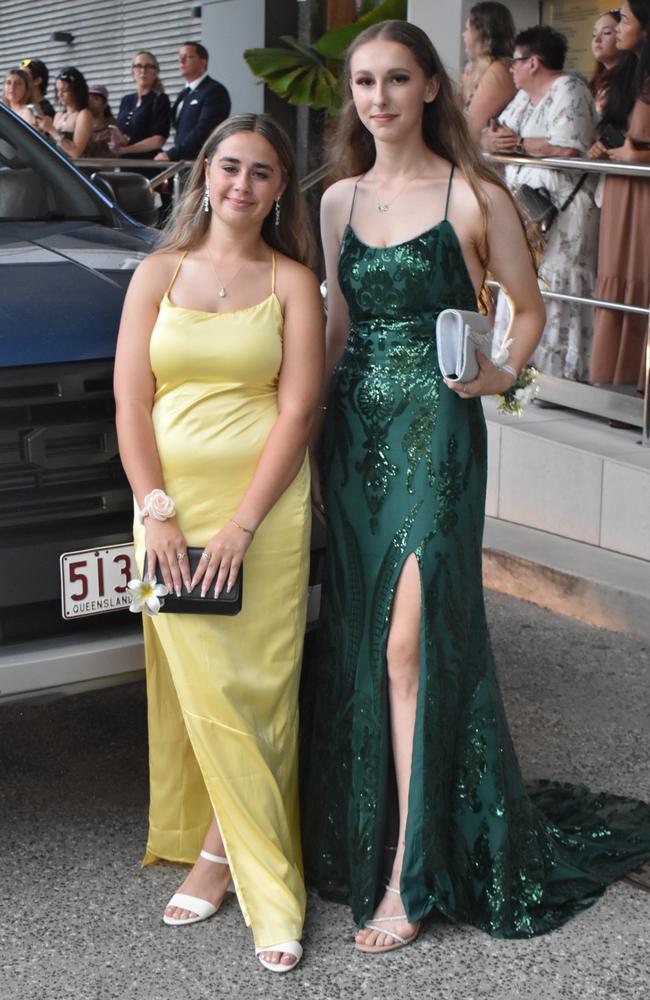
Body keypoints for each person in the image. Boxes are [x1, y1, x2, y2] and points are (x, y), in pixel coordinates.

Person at [303, 18, 650, 956]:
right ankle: (366, 834)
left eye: (396, 80)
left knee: (409, 644)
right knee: (359, 641)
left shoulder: (474, 193)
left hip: (437, 438)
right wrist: (309, 449)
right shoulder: (335, 202)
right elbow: (335, 328)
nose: (378, 98)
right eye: (364, 82)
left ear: (430, 90)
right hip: (353, 439)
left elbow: (528, 314)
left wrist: (500, 377)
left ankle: (410, 878)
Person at [114, 113, 324, 973]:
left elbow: (299, 408)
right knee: (200, 685)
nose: (242, 185)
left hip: (263, 517)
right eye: (229, 167)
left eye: (262, 173)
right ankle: (221, 853)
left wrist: (243, 523)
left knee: (259, 693)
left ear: (280, 190)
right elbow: (131, 402)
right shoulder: (157, 272)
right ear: (204, 174)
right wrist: (156, 508)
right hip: (168, 509)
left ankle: (243, 871)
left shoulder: (294, 281)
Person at [482, 26, 598, 381]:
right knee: (521, 278)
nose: (510, 70)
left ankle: (558, 373)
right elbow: (498, 133)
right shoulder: (522, 96)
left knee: (557, 280)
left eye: (515, 62)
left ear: (533, 63)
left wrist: (517, 144)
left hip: (562, 211)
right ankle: (517, 364)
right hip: (524, 212)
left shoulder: (569, 89)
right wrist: (495, 139)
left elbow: (566, 147)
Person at [589, 0, 650, 393]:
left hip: (642, 194)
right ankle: (614, 379)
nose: (618, 26)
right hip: (621, 187)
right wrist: (605, 146)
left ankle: (636, 383)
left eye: (625, 19)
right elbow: (618, 128)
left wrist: (638, 155)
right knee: (616, 274)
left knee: (639, 276)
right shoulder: (629, 72)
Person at [155, 42, 231, 162]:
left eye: (188, 57)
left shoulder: (214, 90)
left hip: (200, 163)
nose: (181, 61)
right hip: (182, 163)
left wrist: (173, 153)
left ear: (203, 61)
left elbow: (205, 130)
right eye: (180, 57)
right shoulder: (184, 93)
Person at [460, 1, 517, 142]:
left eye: (467, 29)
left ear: (481, 34)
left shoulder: (498, 70)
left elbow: (471, 130)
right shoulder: (484, 68)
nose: (463, 35)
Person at [111, 51, 171, 159]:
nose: (143, 71)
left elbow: (158, 140)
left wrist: (126, 150)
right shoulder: (126, 100)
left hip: (148, 163)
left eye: (149, 66)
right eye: (138, 66)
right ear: (132, 71)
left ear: (156, 71)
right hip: (124, 163)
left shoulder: (160, 99)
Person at [37, 66, 93, 159]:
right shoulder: (59, 115)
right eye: (58, 90)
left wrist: (51, 129)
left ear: (76, 91)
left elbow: (76, 152)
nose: (60, 95)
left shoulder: (83, 114)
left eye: (65, 91)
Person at [588, 8, 623, 115]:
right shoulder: (594, 84)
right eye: (594, 34)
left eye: (606, 33)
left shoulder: (631, 83)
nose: (596, 39)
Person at [85, 83, 116, 158]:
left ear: (105, 104)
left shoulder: (112, 127)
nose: (90, 103)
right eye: (87, 99)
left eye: (96, 99)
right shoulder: (80, 125)